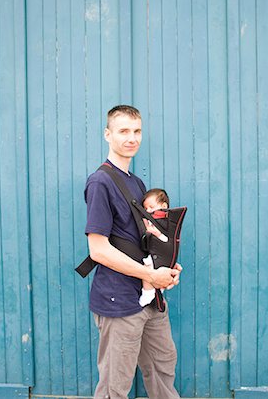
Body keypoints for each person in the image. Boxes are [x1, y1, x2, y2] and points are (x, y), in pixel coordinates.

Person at [85, 105, 182, 399]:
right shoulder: (100, 182)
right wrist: (151, 275)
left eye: (137, 131)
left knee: (163, 369)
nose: (132, 138)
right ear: (107, 134)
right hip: (118, 300)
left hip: (149, 298)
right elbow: (98, 250)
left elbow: (145, 240)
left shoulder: (137, 183)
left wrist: (168, 268)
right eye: (123, 130)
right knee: (115, 386)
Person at [139, 188, 170, 307]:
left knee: (149, 266)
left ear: (163, 206)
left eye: (151, 207)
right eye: (146, 209)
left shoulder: (166, 222)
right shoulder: (150, 220)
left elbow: (167, 238)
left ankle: (148, 293)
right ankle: (150, 292)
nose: (148, 211)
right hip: (154, 251)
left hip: (162, 252)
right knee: (148, 265)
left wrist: (156, 233)